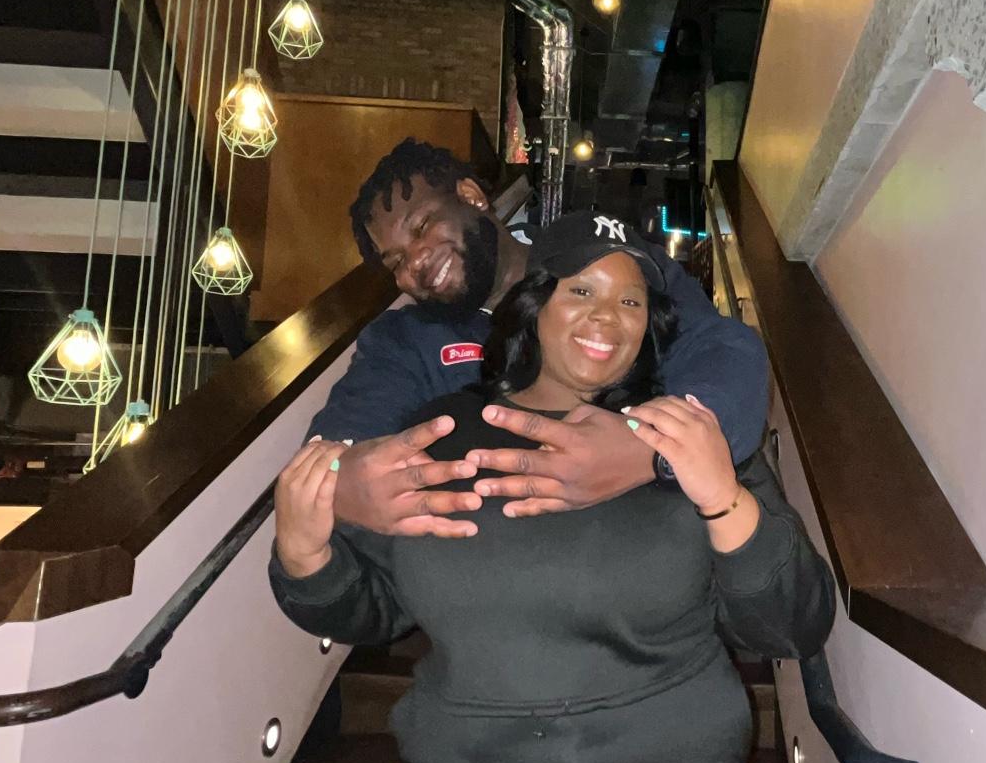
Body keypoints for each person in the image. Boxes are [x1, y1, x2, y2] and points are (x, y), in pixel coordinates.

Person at [270, 211, 835, 763]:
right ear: (535, 304)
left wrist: (718, 494)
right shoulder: (437, 439)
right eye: (581, 289)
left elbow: (792, 620)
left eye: (632, 300)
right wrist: (304, 555)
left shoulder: (680, 440)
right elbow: (369, 608)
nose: (608, 315)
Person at [306, 139, 769, 538]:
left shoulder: (605, 259)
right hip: (499, 558)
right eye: (396, 262)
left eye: (423, 227)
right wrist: (342, 480)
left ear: (471, 196)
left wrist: (651, 453)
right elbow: (338, 442)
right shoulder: (405, 340)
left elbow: (723, 351)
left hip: (649, 539)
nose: (417, 262)